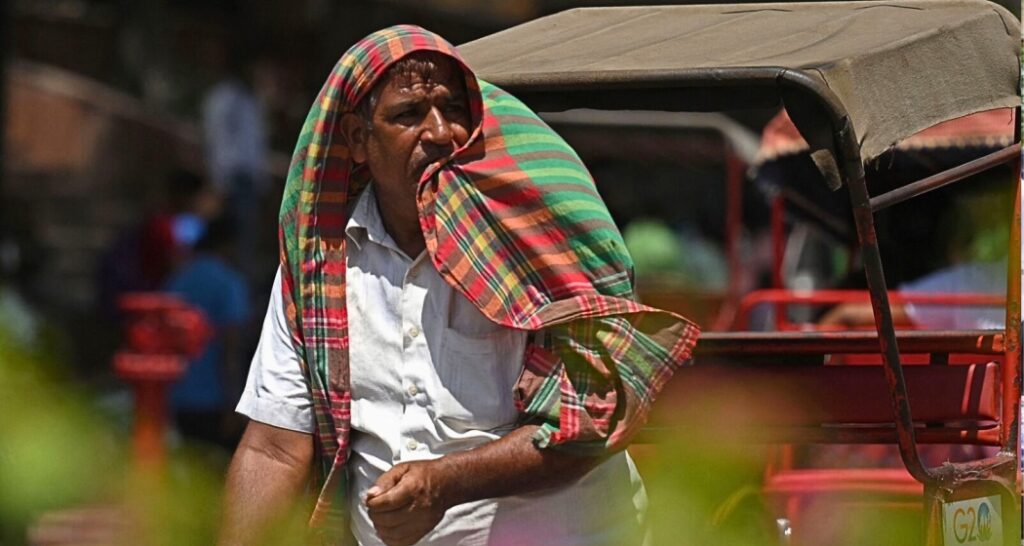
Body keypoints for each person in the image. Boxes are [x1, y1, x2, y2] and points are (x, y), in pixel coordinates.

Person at [220, 26, 698, 546]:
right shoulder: (321, 267)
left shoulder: (530, 242)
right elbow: (274, 447)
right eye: (409, 114)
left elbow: (588, 418)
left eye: (453, 110)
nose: (440, 131)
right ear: (359, 140)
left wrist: (447, 482)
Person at [164, 216, 250, 448]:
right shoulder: (228, 282)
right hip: (214, 398)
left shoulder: (178, 280)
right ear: (227, 245)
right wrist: (234, 400)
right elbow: (231, 345)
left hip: (177, 395)